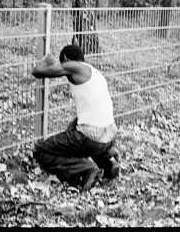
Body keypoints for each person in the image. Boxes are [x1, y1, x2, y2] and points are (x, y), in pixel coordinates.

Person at [31, 45, 120, 191]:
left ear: (66, 59)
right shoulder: (94, 72)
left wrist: (45, 59)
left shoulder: (73, 66)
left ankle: (84, 170)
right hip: (110, 133)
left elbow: (37, 72)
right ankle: (108, 162)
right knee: (75, 129)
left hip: (93, 137)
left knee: (40, 150)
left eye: (63, 63)